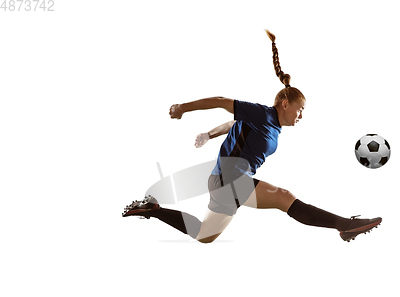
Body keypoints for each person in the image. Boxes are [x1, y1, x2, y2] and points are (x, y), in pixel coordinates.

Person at [122, 30, 382, 243]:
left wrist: (210, 134)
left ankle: (152, 210)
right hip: (229, 178)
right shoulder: (263, 114)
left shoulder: (271, 127)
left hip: (225, 182)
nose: (301, 115)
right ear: (284, 103)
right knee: (283, 197)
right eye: (300, 109)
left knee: (204, 235)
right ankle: (344, 225)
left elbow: (233, 124)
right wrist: (182, 108)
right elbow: (223, 101)